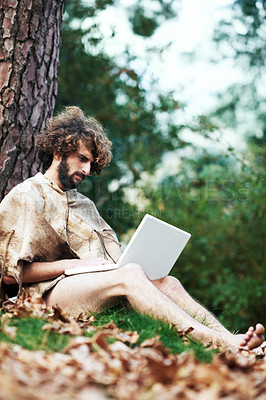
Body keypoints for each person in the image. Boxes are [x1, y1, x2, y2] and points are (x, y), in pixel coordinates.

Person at [0, 106, 264, 353]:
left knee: (167, 282)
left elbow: (112, 259)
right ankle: (219, 343)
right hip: (43, 294)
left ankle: (237, 341)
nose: (87, 169)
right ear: (59, 151)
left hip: (90, 286)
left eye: (91, 163)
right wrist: (75, 265)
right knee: (131, 275)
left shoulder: (85, 205)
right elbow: (11, 276)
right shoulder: (26, 194)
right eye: (81, 159)